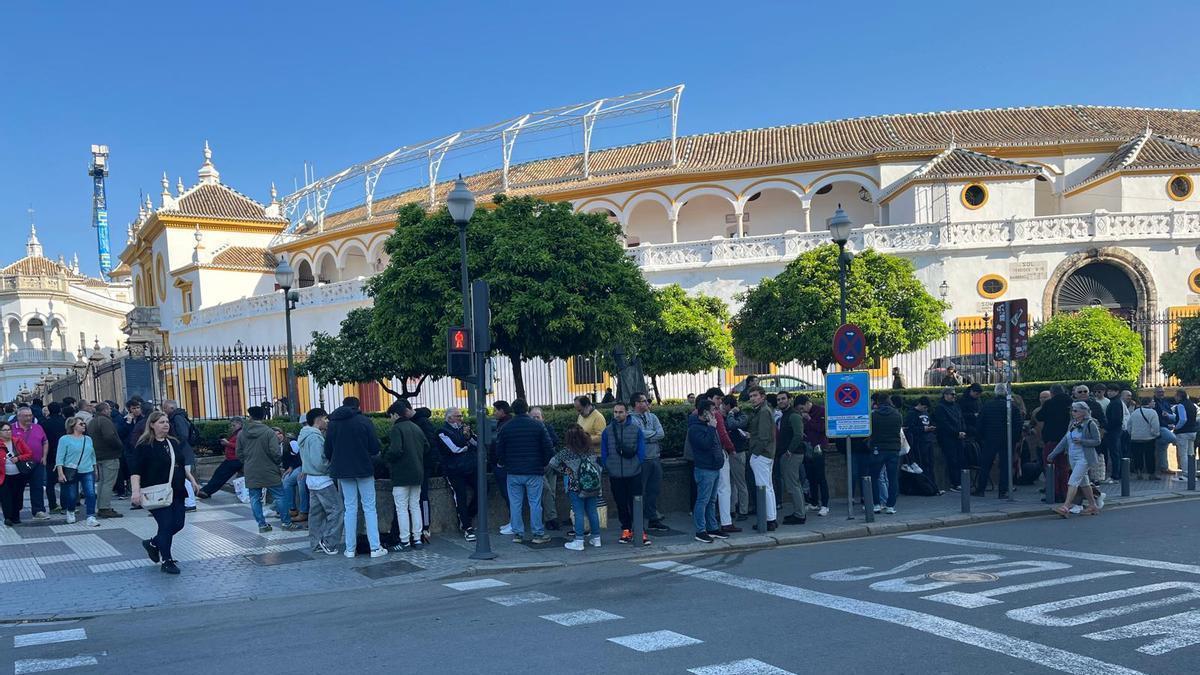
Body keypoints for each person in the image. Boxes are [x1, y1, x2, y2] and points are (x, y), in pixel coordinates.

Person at [131, 411, 201, 575]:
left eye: (167, 421)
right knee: (166, 524)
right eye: (161, 422)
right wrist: (135, 492)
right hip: (156, 492)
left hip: (176, 490)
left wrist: (192, 480)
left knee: (178, 523)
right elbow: (136, 471)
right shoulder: (144, 446)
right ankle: (167, 560)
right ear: (152, 425)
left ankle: (153, 544)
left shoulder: (173, 443)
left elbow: (181, 464)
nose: (166, 424)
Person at [325, 397, 386, 558]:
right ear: (358, 406)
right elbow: (374, 448)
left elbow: (328, 451)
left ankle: (350, 549)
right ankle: (375, 548)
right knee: (369, 508)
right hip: (364, 469)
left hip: (343, 471)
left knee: (350, 508)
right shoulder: (364, 421)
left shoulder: (333, 423)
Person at [496, 399, 554, 544]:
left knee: (515, 503)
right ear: (527, 409)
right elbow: (549, 448)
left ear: (513, 410)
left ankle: (518, 534)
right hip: (534, 471)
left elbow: (500, 450)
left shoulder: (506, 427)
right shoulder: (538, 426)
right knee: (535, 503)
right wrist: (543, 463)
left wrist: (504, 463)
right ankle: (538, 534)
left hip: (514, 472)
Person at [239, 408, 300, 533]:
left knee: (255, 497)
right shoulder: (268, 432)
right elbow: (276, 453)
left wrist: (247, 462)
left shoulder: (242, 433)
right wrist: (276, 464)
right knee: (280, 496)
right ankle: (286, 523)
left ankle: (262, 525)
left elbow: (239, 453)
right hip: (269, 469)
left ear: (250, 417)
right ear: (263, 417)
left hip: (251, 469)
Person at [547, 424, 603, 550]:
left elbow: (552, 463)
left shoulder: (566, 452)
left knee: (578, 513)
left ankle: (579, 541)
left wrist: (566, 470)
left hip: (575, 486)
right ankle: (596, 538)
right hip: (593, 486)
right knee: (592, 512)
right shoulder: (590, 449)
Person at [600, 401, 649, 545]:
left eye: (620, 412)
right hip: (616, 473)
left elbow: (641, 449)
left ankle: (640, 530)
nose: (618, 414)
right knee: (620, 503)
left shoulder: (635, 429)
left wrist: (638, 462)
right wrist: (607, 464)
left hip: (633, 472)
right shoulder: (607, 431)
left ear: (626, 413)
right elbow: (604, 451)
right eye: (615, 412)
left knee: (636, 503)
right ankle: (626, 529)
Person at [384, 399, 430, 551]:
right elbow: (426, 447)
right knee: (415, 506)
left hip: (401, 474)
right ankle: (417, 539)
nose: (390, 420)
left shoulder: (397, 429)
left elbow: (395, 450)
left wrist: (387, 457)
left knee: (402, 508)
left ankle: (405, 541)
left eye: (390, 416)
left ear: (396, 415)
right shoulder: (416, 427)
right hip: (418, 473)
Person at [1047, 402, 1102, 517]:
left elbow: (1097, 441)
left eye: (1075, 410)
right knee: (1084, 482)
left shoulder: (1091, 423)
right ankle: (1093, 506)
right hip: (1073, 456)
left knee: (1073, 480)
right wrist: (1053, 453)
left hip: (1084, 457)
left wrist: (1083, 441)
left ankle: (1066, 506)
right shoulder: (1073, 423)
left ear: (1084, 411)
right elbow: (1065, 440)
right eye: (1072, 410)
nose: (1073, 413)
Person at [299, 408, 342, 555]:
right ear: (318, 420)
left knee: (315, 514)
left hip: (311, 480)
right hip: (322, 480)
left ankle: (315, 543)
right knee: (337, 510)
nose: (327, 421)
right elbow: (319, 462)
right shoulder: (315, 437)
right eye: (325, 418)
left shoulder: (305, 435)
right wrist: (330, 468)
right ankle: (328, 542)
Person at [973, 384, 1022, 498]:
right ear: (1005, 393)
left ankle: (981, 489)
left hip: (990, 439)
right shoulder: (1011, 407)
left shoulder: (987, 406)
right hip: (1006, 440)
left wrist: (981, 438)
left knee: (985, 465)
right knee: (1005, 466)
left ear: (995, 392)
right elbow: (1017, 426)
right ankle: (1002, 491)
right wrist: (1014, 440)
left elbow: (980, 424)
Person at [689, 400, 727, 543]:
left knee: (712, 500)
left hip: (714, 467)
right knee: (703, 500)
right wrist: (711, 428)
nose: (715, 413)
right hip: (704, 469)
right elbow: (705, 445)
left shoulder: (710, 426)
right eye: (712, 410)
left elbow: (716, 444)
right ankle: (700, 530)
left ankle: (712, 528)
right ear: (704, 412)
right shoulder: (695, 428)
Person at [438, 407, 479, 541]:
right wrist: (465, 442)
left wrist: (468, 436)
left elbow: (477, 444)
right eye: (458, 416)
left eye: (461, 416)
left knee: (483, 489)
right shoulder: (442, 431)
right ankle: (467, 527)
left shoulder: (464, 429)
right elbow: (455, 449)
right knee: (460, 496)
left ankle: (468, 515)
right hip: (454, 470)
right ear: (449, 418)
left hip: (469, 467)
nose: (461, 419)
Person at [629, 392, 667, 532]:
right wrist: (652, 435)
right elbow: (638, 434)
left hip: (655, 457)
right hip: (642, 460)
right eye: (644, 401)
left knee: (654, 490)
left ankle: (652, 518)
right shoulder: (631, 419)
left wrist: (647, 436)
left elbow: (661, 433)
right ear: (637, 404)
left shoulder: (652, 416)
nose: (647, 403)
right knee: (640, 491)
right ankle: (638, 522)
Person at [55, 416, 99, 526]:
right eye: (81, 424)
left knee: (90, 493)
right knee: (72, 495)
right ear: (73, 426)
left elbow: (92, 455)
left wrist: (95, 468)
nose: (84, 425)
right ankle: (70, 511)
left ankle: (91, 516)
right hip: (71, 470)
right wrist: (60, 472)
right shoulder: (64, 439)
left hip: (87, 469)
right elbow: (60, 457)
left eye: (84, 423)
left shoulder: (88, 439)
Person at [865, 392, 903, 514]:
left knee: (874, 477)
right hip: (893, 450)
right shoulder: (897, 415)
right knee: (892, 478)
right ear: (889, 401)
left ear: (878, 403)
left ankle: (876, 504)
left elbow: (869, 432)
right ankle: (890, 506)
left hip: (878, 449)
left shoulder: (873, 416)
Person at [747, 386, 777, 531]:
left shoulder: (764, 411)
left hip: (762, 454)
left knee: (763, 488)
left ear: (762, 397)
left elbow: (764, 437)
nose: (752, 398)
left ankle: (768, 520)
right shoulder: (763, 410)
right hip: (766, 453)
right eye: (751, 396)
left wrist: (755, 453)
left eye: (755, 395)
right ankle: (770, 518)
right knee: (768, 487)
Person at [1035, 385, 1073, 501]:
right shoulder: (1071, 402)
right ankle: (1065, 492)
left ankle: (1054, 493)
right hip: (1067, 438)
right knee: (1064, 467)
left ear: (1052, 393)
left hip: (1052, 439)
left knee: (1051, 465)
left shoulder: (1049, 403)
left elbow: (1039, 416)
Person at [87, 402, 124, 519]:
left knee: (102, 482)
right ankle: (105, 508)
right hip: (109, 455)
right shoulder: (105, 421)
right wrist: (119, 446)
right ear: (104, 410)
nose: (110, 411)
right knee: (108, 482)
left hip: (98, 455)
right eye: (109, 409)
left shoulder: (92, 421)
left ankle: (101, 506)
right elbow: (109, 436)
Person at [776, 391, 808, 525]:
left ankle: (800, 515)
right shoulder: (786, 415)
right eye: (778, 400)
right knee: (795, 484)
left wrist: (789, 450)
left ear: (789, 399)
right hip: (790, 453)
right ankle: (799, 512)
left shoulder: (793, 415)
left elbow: (798, 435)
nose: (780, 401)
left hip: (792, 455)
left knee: (793, 485)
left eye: (783, 399)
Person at [796, 394, 830, 516]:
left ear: (807, 403)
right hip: (807, 448)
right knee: (811, 477)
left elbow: (822, 428)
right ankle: (814, 502)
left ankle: (825, 505)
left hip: (819, 448)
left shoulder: (821, 411)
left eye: (802, 408)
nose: (801, 411)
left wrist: (809, 419)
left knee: (821, 477)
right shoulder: (802, 416)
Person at [12, 407, 49, 521]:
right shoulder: (12, 428)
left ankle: (38, 510)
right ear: (19, 417)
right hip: (19, 464)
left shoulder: (38, 427)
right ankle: (15, 510)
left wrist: (44, 456)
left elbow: (45, 442)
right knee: (17, 488)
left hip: (36, 463)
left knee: (37, 487)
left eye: (30, 415)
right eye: (26, 416)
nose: (29, 418)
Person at [161, 400, 198, 512]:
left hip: (183, 452)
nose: (164, 411)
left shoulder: (177, 418)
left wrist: (175, 445)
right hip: (183, 451)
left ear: (170, 408)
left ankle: (190, 502)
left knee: (184, 478)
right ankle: (188, 501)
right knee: (183, 478)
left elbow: (183, 435)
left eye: (165, 408)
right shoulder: (178, 417)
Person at [721, 395, 751, 521]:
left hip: (738, 452)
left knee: (740, 482)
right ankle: (732, 508)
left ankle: (743, 510)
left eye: (724, 404)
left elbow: (732, 425)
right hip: (730, 452)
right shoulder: (730, 415)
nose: (722, 407)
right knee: (731, 483)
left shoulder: (741, 416)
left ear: (729, 405)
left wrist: (731, 414)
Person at [412, 407, 440, 541]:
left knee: (422, 495)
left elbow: (428, 445)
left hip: (423, 464)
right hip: (425, 464)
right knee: (422, 496)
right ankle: (424, 526)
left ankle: (425, 526)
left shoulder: (420, 423)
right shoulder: (423, 422)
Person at [199, 417, 243, 498]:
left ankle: (206, 491)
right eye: (231, 425)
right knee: (219, 473)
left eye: (234, 425)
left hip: (235, 459)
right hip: (231, 459)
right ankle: (206, 490)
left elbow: (240, 446)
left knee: (221, 475)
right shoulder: (237, 433)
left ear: (239, 424)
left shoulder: (240, 433)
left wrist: (228, 443)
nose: (232, 427)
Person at [1, 421, 34, 526]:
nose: (8, 432)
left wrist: (18, 458)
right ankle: (8, 517)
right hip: (3, 476)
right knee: (5, 497)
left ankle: (16, 516)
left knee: (17, 496)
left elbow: (29, 453)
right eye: (5, 430)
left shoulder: (17, 441)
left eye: (9, 429)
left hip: (18, 474)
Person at [933, 388, 966, 492]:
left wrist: (963, 431)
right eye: (951, 394)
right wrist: (956, 432)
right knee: (952, 460)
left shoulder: (956, 406)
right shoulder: (940, 408)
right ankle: (955, 483)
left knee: (960, 459)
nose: (953, 396)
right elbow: (944, 424)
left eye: (954, 394)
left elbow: (961, 419)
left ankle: (960, 482)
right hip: (948, 438)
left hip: (958, 436)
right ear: (945, 395)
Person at [489, 401, 514, 533]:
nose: (494, 413)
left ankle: (514, 523)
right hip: (501, 463)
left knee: (508, 494)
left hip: (502, 465)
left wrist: (500, 461)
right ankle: (512, 521)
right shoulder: (503, 423)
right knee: (507, 494)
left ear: (502, 411)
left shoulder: (505, 425)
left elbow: (501, 445)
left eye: (495, 410)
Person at [40, 402, 66, 515]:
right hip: (65, 455)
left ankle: (52, 505)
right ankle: (66, 504)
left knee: (50, 483)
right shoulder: (64, 422)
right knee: (65, 481)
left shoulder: (44, 423)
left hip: (50, 455)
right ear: (60, 410)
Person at [277, 429, 307, 522]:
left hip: (299, 466)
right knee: (285, 481)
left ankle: (302, 511)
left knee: (295, 481)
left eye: (279, 433)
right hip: (294, 468)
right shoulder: (279, 445)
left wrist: (291, 466)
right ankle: (291, 508)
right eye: (275, 435)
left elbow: (299, 456)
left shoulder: (291, 442)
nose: (278, 436)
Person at [1127, 397, 1161, 480]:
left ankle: (1139, 472)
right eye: (1153, 401)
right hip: (1148, 438)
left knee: (1137, 456)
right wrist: (1156, 434)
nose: (1154, 403)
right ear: (1149, 403)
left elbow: (1129, 425)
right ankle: (1151, 474)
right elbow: (1155, 426)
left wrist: (1132, 433)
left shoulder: (1135, 412)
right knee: (1150, 456)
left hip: (1135, 438)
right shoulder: (1153, 412)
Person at [903, 396, 935, 475]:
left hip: (928, 441)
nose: (925, 409)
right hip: (919, 443)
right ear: (920, 404)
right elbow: (909, 428)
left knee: (930, 464)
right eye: (924, 407)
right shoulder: (912, 414)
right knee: (922, 464)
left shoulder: (926, 413)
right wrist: (923, 429)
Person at [1173, 389, 1198, 481]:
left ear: (1179, 396)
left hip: (1183, 432)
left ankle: (1185, 474)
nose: (1175, 397)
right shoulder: (1192, 405)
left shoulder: (1180, 405)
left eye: (1176, 396)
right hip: (1193, 432)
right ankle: (1192, 474)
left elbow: (1183, 419)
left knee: (1183, 454)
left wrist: (1176, 427)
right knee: (1191, 454)